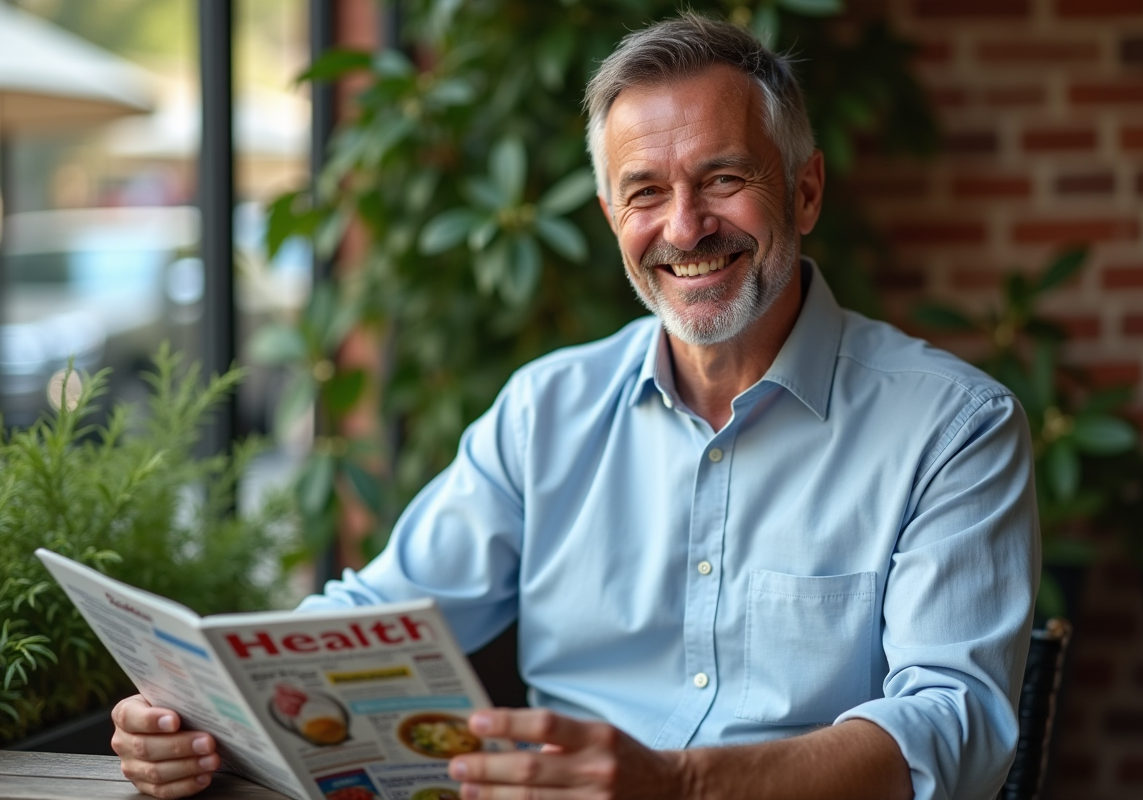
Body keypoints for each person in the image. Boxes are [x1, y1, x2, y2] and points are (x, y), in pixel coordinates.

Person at [110, 14, 1038, 800]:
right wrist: (196, 711)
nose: (684, 228)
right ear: (609, 218)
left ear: (803, 189)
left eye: (723, 179)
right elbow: (379, 613)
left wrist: (679, 788)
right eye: (646, 192)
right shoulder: (543, 411)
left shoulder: (953, 428)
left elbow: (956, 724)